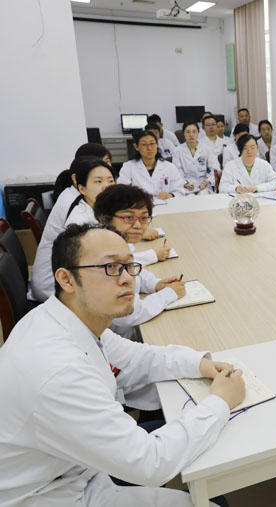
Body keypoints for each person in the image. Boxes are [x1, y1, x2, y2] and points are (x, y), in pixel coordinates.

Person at [0, 223, 245, 506]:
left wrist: (199, 364)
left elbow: (135, 358)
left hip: (73, 468)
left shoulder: (66, 317)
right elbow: (150, 464)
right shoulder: (57, 371)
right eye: (111, 268)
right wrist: (221, 401)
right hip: (50, 495)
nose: (128, 279)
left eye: (130, 266)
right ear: (66, 279)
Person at [94, 184, 185, 341]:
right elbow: (129, 313)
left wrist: (155, 284)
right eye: (129, 218)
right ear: (105, 218)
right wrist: (169, 293)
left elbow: (133, 271)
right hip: (111, 342)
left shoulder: (120, 243)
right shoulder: (103, 256)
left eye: (144, 218)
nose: (138, 225)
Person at [30, 157, 115, 301]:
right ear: (81, 188)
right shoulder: (79, 219)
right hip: (57, 286)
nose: (106, 186)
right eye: (98, 181)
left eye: (110, 181)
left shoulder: (88, 203)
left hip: (69, 274)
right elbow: (101, 264)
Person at [117, 131, 185, 199]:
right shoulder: (128, 167)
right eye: (144, 144)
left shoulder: (169, 167)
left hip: (166, 204)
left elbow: (179, 191)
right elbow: (122, 191)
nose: (149, 148)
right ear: (136, 147)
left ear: (157, 144)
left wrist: (170, 195)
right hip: (139, 204)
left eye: (152, 143)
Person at [172, 121, 220, 194]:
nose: (191, 134)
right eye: (188, 132)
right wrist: (185, 184)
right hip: (185, 186)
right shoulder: (177, 150)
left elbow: (215, 169)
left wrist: (206, 182)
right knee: (189, 198)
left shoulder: (207, 148)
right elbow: (177, 172)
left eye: (194, 132)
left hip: (203, 185)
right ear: (184, 134)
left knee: (203, 195)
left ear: (198, 133)